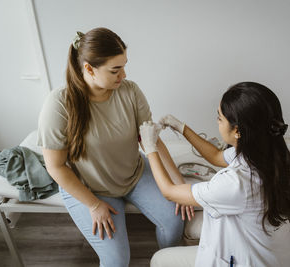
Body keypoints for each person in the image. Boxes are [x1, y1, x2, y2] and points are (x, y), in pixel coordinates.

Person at [37, 27, 194, 267]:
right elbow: (56, 166)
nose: (123, 74)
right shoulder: (59, 104)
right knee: (116, 261)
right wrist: (93, 204)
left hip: (134, 174)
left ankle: (166, 261)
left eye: (124, 66)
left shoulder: (130, 91)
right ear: (89, 69)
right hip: (90, 188)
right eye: (115, 69)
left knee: (174, 222)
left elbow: (152, 141)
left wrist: (180, 186)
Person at [140, 82, 290, 266]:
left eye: (219, 118)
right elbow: (216, 156)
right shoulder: (267, 152)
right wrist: (182, 128)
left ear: (237, 130)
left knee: (159, 259)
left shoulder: (235, 183)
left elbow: (170, 191)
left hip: (252, 260)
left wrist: (150, 148)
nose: (217, 122)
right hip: (275, 252)